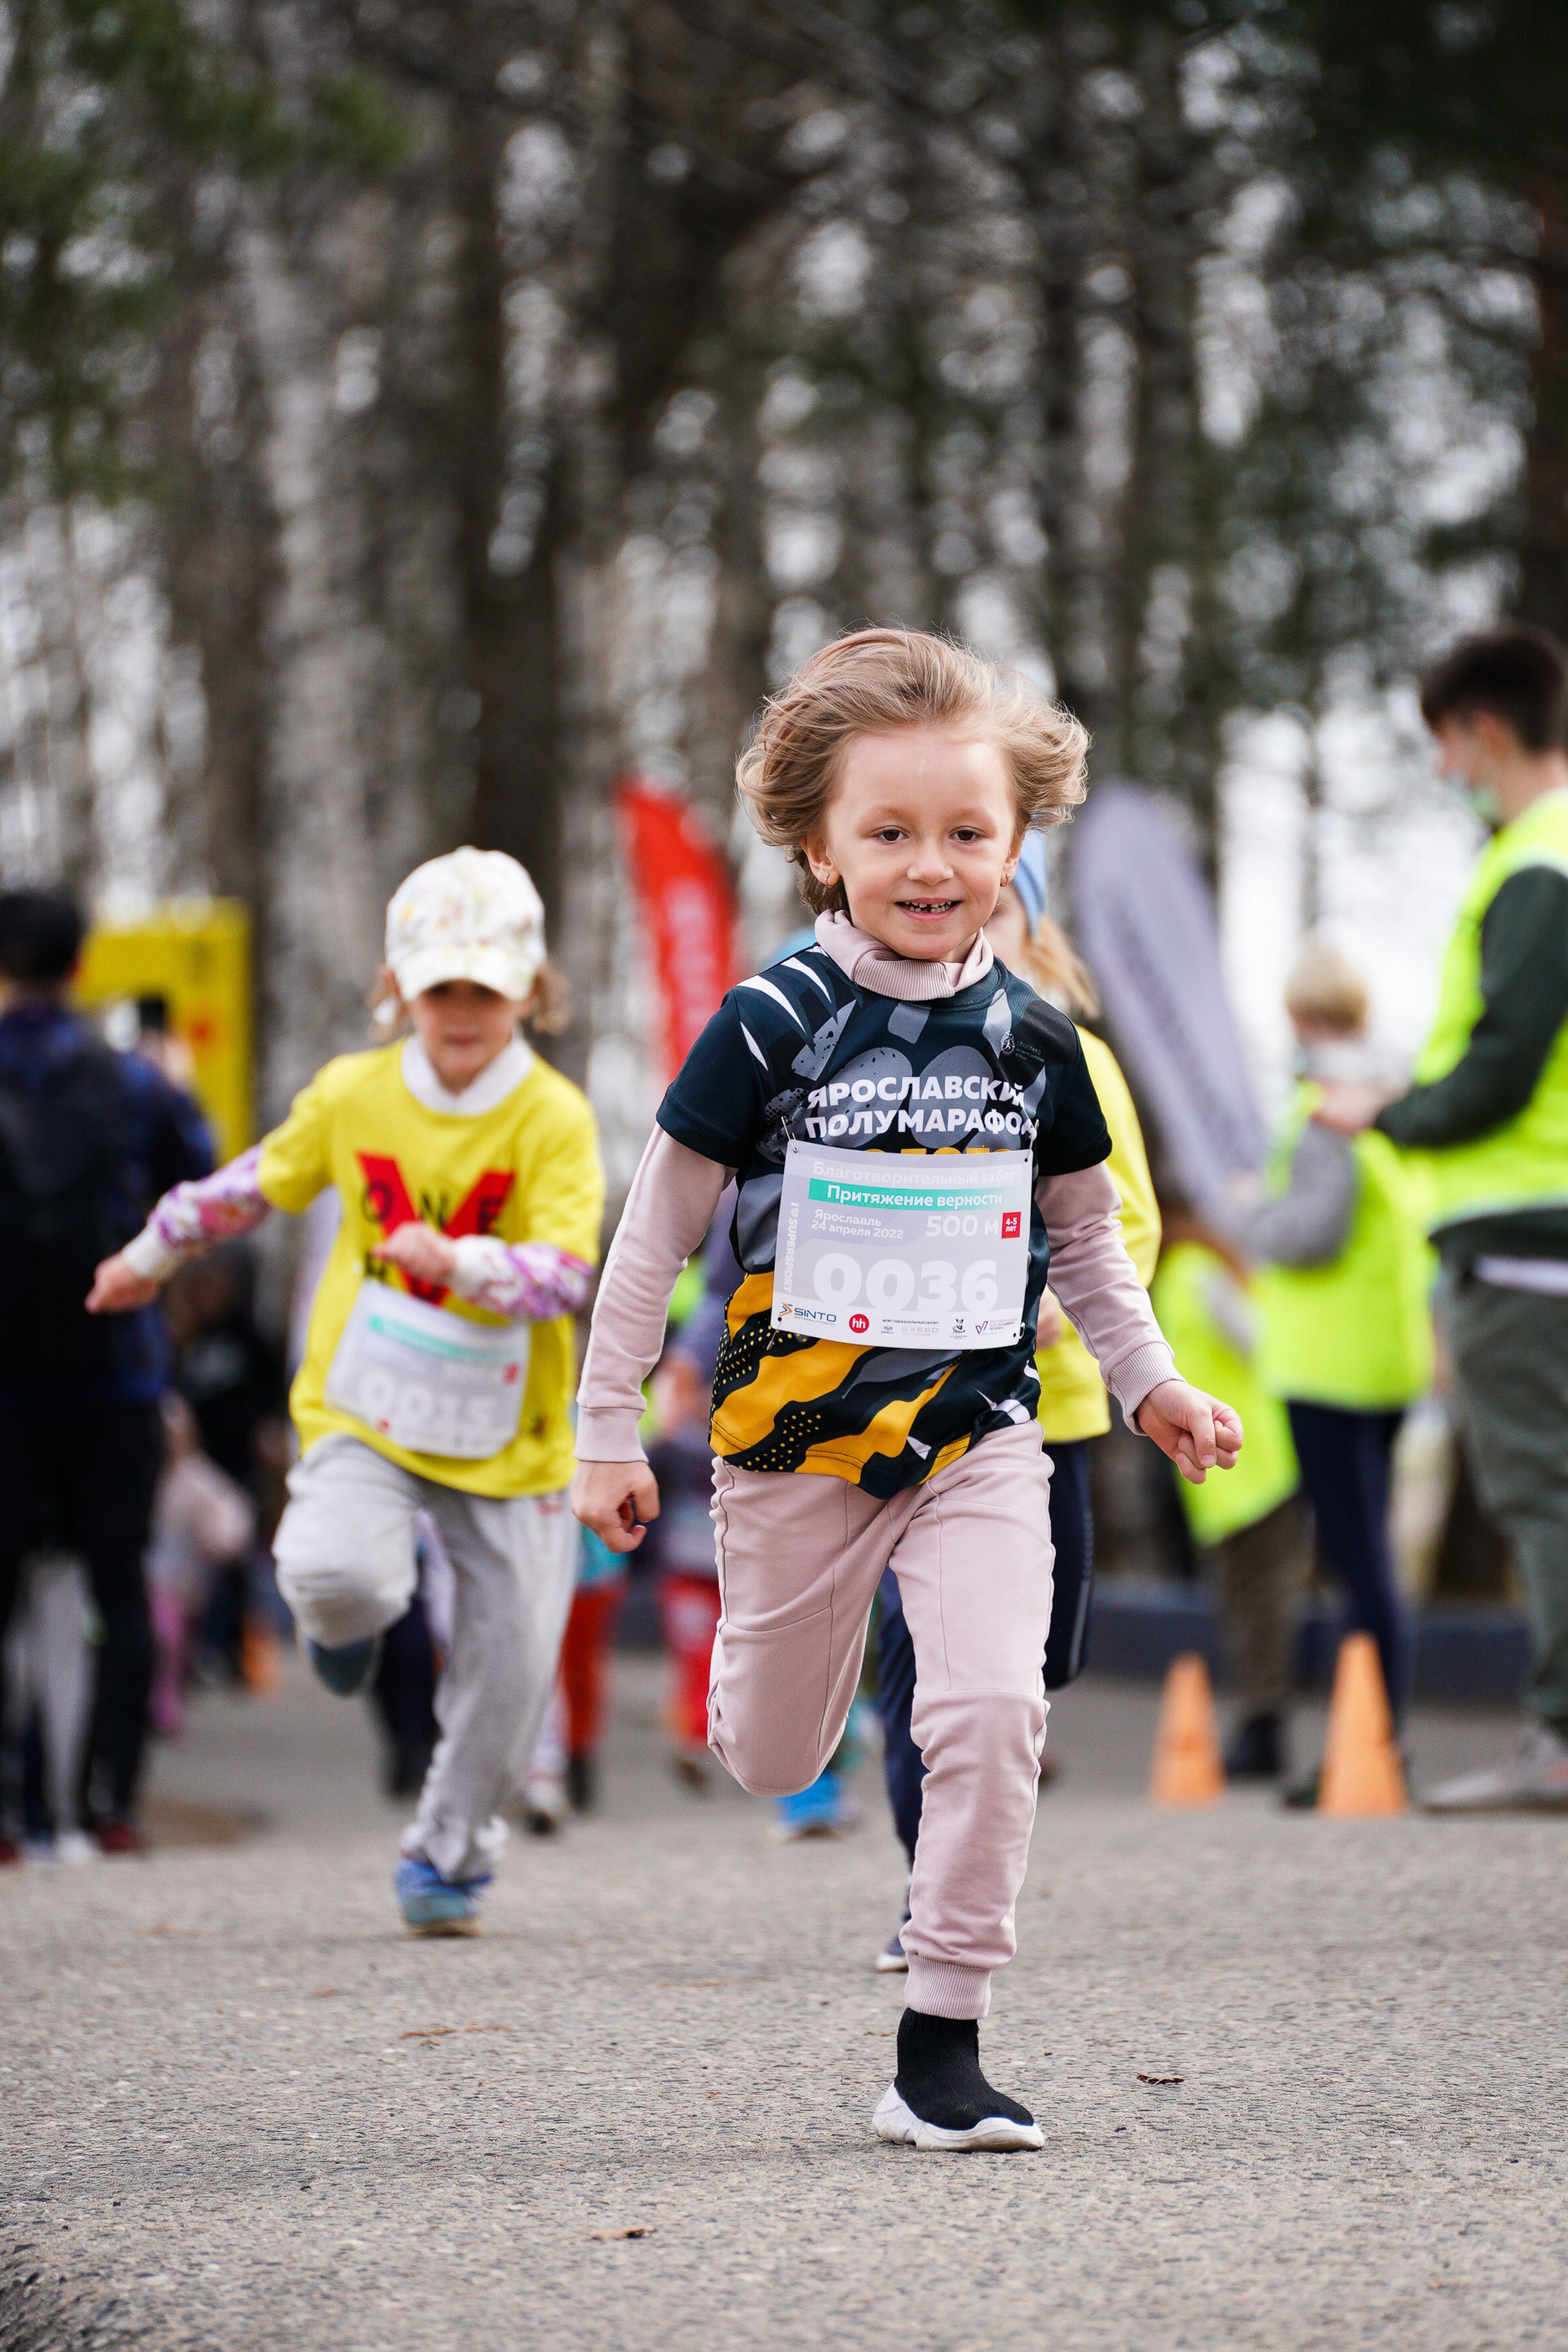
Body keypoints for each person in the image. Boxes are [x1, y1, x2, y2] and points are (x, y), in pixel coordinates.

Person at [572, 628, 1242, 2152]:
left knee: (994, 1707)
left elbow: (1086, 1238)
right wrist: (602, 1424)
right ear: (819, 843)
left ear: (1014, 843)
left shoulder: (1035, 1036)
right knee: (768, 1748)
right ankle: (779, 1710)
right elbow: (653, 1233)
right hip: (794, 1446)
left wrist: (1151, 1381)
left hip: (977, 1436)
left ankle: (940, 2041)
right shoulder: (764, 1025)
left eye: (963, 832)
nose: (928, 864)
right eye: (888, 832)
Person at [89, 847, 605, 1930]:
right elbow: (253, 1182)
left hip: (509, 1429)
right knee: (332, 1573)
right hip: (366, 1401)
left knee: (511, 1669)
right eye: (437, 989)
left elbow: (566, 1273)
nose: (460, 1011)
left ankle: (449, 1854)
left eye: (484, 990)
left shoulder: (552, 1117)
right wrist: (152, 1251)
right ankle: (341, 1623)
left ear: (528, 992)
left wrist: (463, 1264)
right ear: (399, 991)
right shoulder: (354, 1093)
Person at [873, 840, 1163, 1969]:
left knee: (1039, 1656)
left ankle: (988, 1758)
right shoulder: (877, 1051)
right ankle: (926, 1891)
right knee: (920, 1661)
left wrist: (1048, 1303)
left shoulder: (1071, 1053)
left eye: (999, 921)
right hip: (915, 1416)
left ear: (1032, 935)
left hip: (1058, 1410)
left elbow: (1125, 1220)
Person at [1317, 626, 1568, 1811]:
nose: (1439, 772)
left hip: (1525, 1228)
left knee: (1543, 1490)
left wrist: (1389, 1113)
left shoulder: (1536, 860)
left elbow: (1503, 1068)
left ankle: (1560, 1737)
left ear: (1481, 731)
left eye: (1440, 746)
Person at [0, 888, 213, 1861]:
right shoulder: (131, 1082)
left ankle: (11, 1813)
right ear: (81, 966)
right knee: (119, 1586)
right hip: (114, 1366)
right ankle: (108, 1805)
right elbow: (197, 1182)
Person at [1236, 945, 1434, 1796]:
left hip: (1328, 1367)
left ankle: (1372, 1743)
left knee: (1359, 1564)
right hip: (1389, 1357)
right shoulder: (1395, 1095)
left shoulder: (1325, 1110)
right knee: (1372, 1557)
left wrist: (1254, 1217)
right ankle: (1376, 1733)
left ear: (1300, 1019)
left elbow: (1311, 1231)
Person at [1151, 1204, 1310, 1781]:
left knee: (1261, 1605)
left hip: (1254, 1466)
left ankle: (1265, 1730)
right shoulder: (1185, 1276)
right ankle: (1258, 1726)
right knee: (1251, 1605)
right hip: (1232, 1473)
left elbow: (1258, 1340)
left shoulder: (1190, 1275)